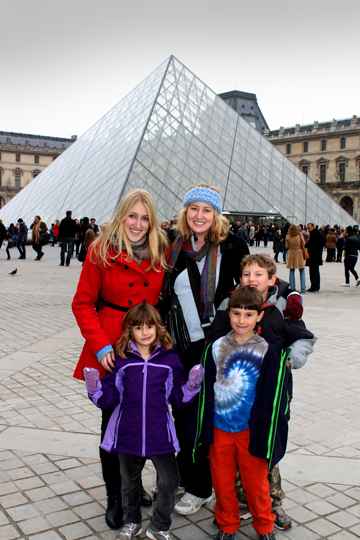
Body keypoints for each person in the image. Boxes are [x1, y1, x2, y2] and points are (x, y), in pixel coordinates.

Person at [72, 189, 169, 530]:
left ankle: (134, 486)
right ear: (122, 215)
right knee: (113, 426)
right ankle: (116, 497)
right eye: (132, 216)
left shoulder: (160, 249)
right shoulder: (101, 250)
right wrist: (101, 347)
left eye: (145, 218)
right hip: (112, 347)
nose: (138, 224)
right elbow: (82, 303)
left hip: (146, 348)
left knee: (142, 420)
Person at [202, 253, 316, 532]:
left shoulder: (280, 309)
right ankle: (239, 507)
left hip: (269, 394)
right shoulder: (230, 304)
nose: (252, 280)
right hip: (233, 395)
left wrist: (289, 359)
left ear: (272, 280)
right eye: (246, 275)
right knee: (232, 463)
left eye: (258, 275)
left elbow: (304, 337)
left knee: (264, 453)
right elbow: (215, 339)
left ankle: (273, 505)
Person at [163, 183, 249, 516]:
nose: (199, 215)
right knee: (182, 413)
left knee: (204, 418)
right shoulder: (174, 248)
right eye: (194, 208)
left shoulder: (233, 247)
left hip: (219, 346)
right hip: (181, 345)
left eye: (207, 209)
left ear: (216, 215)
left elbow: (250, 292)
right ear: (186, 213)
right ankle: (189, 477)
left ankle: (202, 487)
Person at [83, 303, 204, 540]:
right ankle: (132, 522)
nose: (145, 332)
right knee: (128, 482)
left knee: (170, 479)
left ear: (158, 328)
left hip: (160, 433)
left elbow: (175, 396)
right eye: (138, 328)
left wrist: (191, 387)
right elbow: (111, 395)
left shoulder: (169, 360)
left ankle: (160, 525)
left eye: (150, 326)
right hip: (128, 432)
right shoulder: (121, 360)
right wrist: (95, 388)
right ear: (129, 331)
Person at [205, 286, 291, 540]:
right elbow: (207, 387)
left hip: (250, 431)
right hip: (220, 428)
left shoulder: (266, 351)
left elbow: (273, 396)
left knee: (256, 485)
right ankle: (227, 524)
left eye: (248, 315)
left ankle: (264, 526)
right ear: (228, 314)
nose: (241, 321)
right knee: (222, 483)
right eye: (236, 314)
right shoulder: (216, 346)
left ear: (259, 316)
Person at [286, 224, 306, 293]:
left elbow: (287, 246)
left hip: (291, 253)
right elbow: (303, 244)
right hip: (299, 253)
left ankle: (292, 287)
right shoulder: (299, 235)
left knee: (292, 270)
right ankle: (303, 288)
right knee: (302, 270)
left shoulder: (288, 237)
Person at [306, 223, 325, 292]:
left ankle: (313, 286)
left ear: (313, 227)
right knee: (316, 271)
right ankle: (317, 286)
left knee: (313, 272)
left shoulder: (314, 234)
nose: (308, 230)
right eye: (307, 228)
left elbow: (311, 245)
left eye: (309, 228)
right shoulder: (318, 233)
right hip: (317, 255)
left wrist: (306, 245)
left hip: (313, 256)